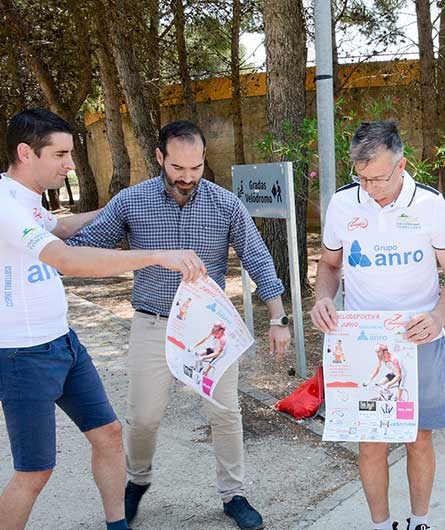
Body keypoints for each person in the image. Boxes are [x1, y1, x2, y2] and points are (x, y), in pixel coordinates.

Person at [68, 120, 291, 530]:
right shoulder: (131, 201)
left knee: (225, 413)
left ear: (205, 160)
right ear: (159, 157)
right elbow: (88, 244)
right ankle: (136, 480)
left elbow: (257, 257)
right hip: (152, 323)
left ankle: (233, 494)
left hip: (211, 329)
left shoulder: (225, 204)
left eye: (196, 168)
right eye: (178, 168)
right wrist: (39, 243)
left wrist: (278, 316)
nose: (187, 178)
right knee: (144, 417)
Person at [0, 108, 206, 530]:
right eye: (60, 154)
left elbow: (58, 227)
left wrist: (124, 203)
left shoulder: (27, 203)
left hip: (63, 343)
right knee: (34, 472)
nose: (70, 164)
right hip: (22, 355)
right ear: (26, 152)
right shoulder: (5, 207)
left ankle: (117, 525)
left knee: (109, 435)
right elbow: (67, 259)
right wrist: (155, 256)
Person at [310, 120, 445, 530]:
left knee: (419, 439)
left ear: (402, 164)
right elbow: (329, 264)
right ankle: (381, 525)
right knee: (371, 443)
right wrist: (323, 299)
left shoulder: (430, 204)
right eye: (361, 178)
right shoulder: (344, 203)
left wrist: (438, 317)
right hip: (362, 345)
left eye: (378, 177)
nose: (370, 187)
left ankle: (420, 521)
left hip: (419, 339)